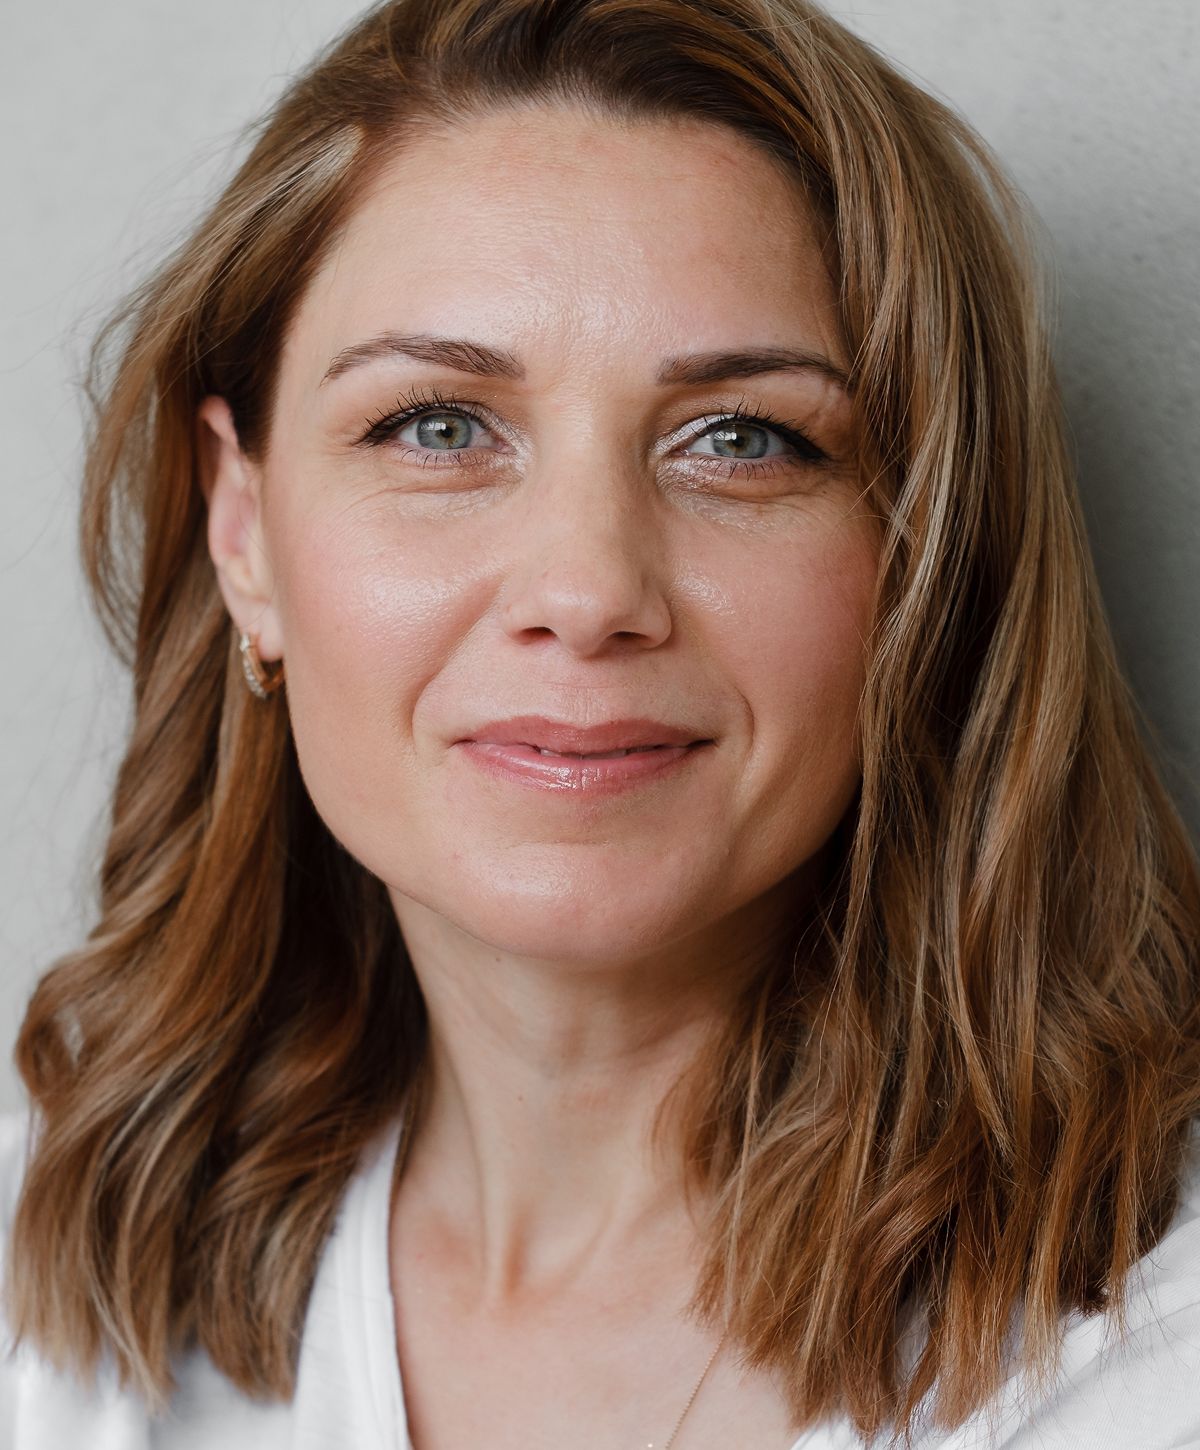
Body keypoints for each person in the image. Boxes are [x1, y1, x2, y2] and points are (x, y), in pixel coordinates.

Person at [3, 0, 1199, 1445]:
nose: (585, 593)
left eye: (742, 439)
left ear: (929, 559)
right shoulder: (43, 1293)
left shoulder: (1156, 1363)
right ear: (243, 532)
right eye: (439, 426)